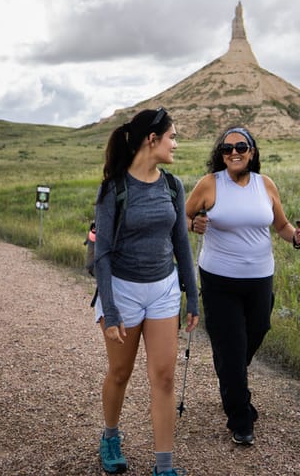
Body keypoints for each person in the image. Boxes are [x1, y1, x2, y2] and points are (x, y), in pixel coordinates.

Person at [185, 126, 300, 446]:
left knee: (255, 332)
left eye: (241, 146)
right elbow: (182, 219)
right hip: (219, 280)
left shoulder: (264, 185)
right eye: (227, 149)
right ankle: (240, 418)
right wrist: (194, 223)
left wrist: (295, 239)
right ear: (221, 154)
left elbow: (280, 225)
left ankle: (230, 376)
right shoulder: (209, 184)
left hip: (259, 278)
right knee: (231, 346)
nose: (234, 152)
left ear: (252, 152)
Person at [93, 107, 199, 476]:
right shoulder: (113, 189)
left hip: (164, 290)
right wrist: (110, 309)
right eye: (172, 136)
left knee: (164, 378)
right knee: (119, 374)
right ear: (151, 140)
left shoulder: (173, 186)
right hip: (122, 291)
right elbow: (102, 254)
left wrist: (192, 294)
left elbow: (181, 243)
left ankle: (164, 467)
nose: (176, 143)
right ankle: (109, 437)